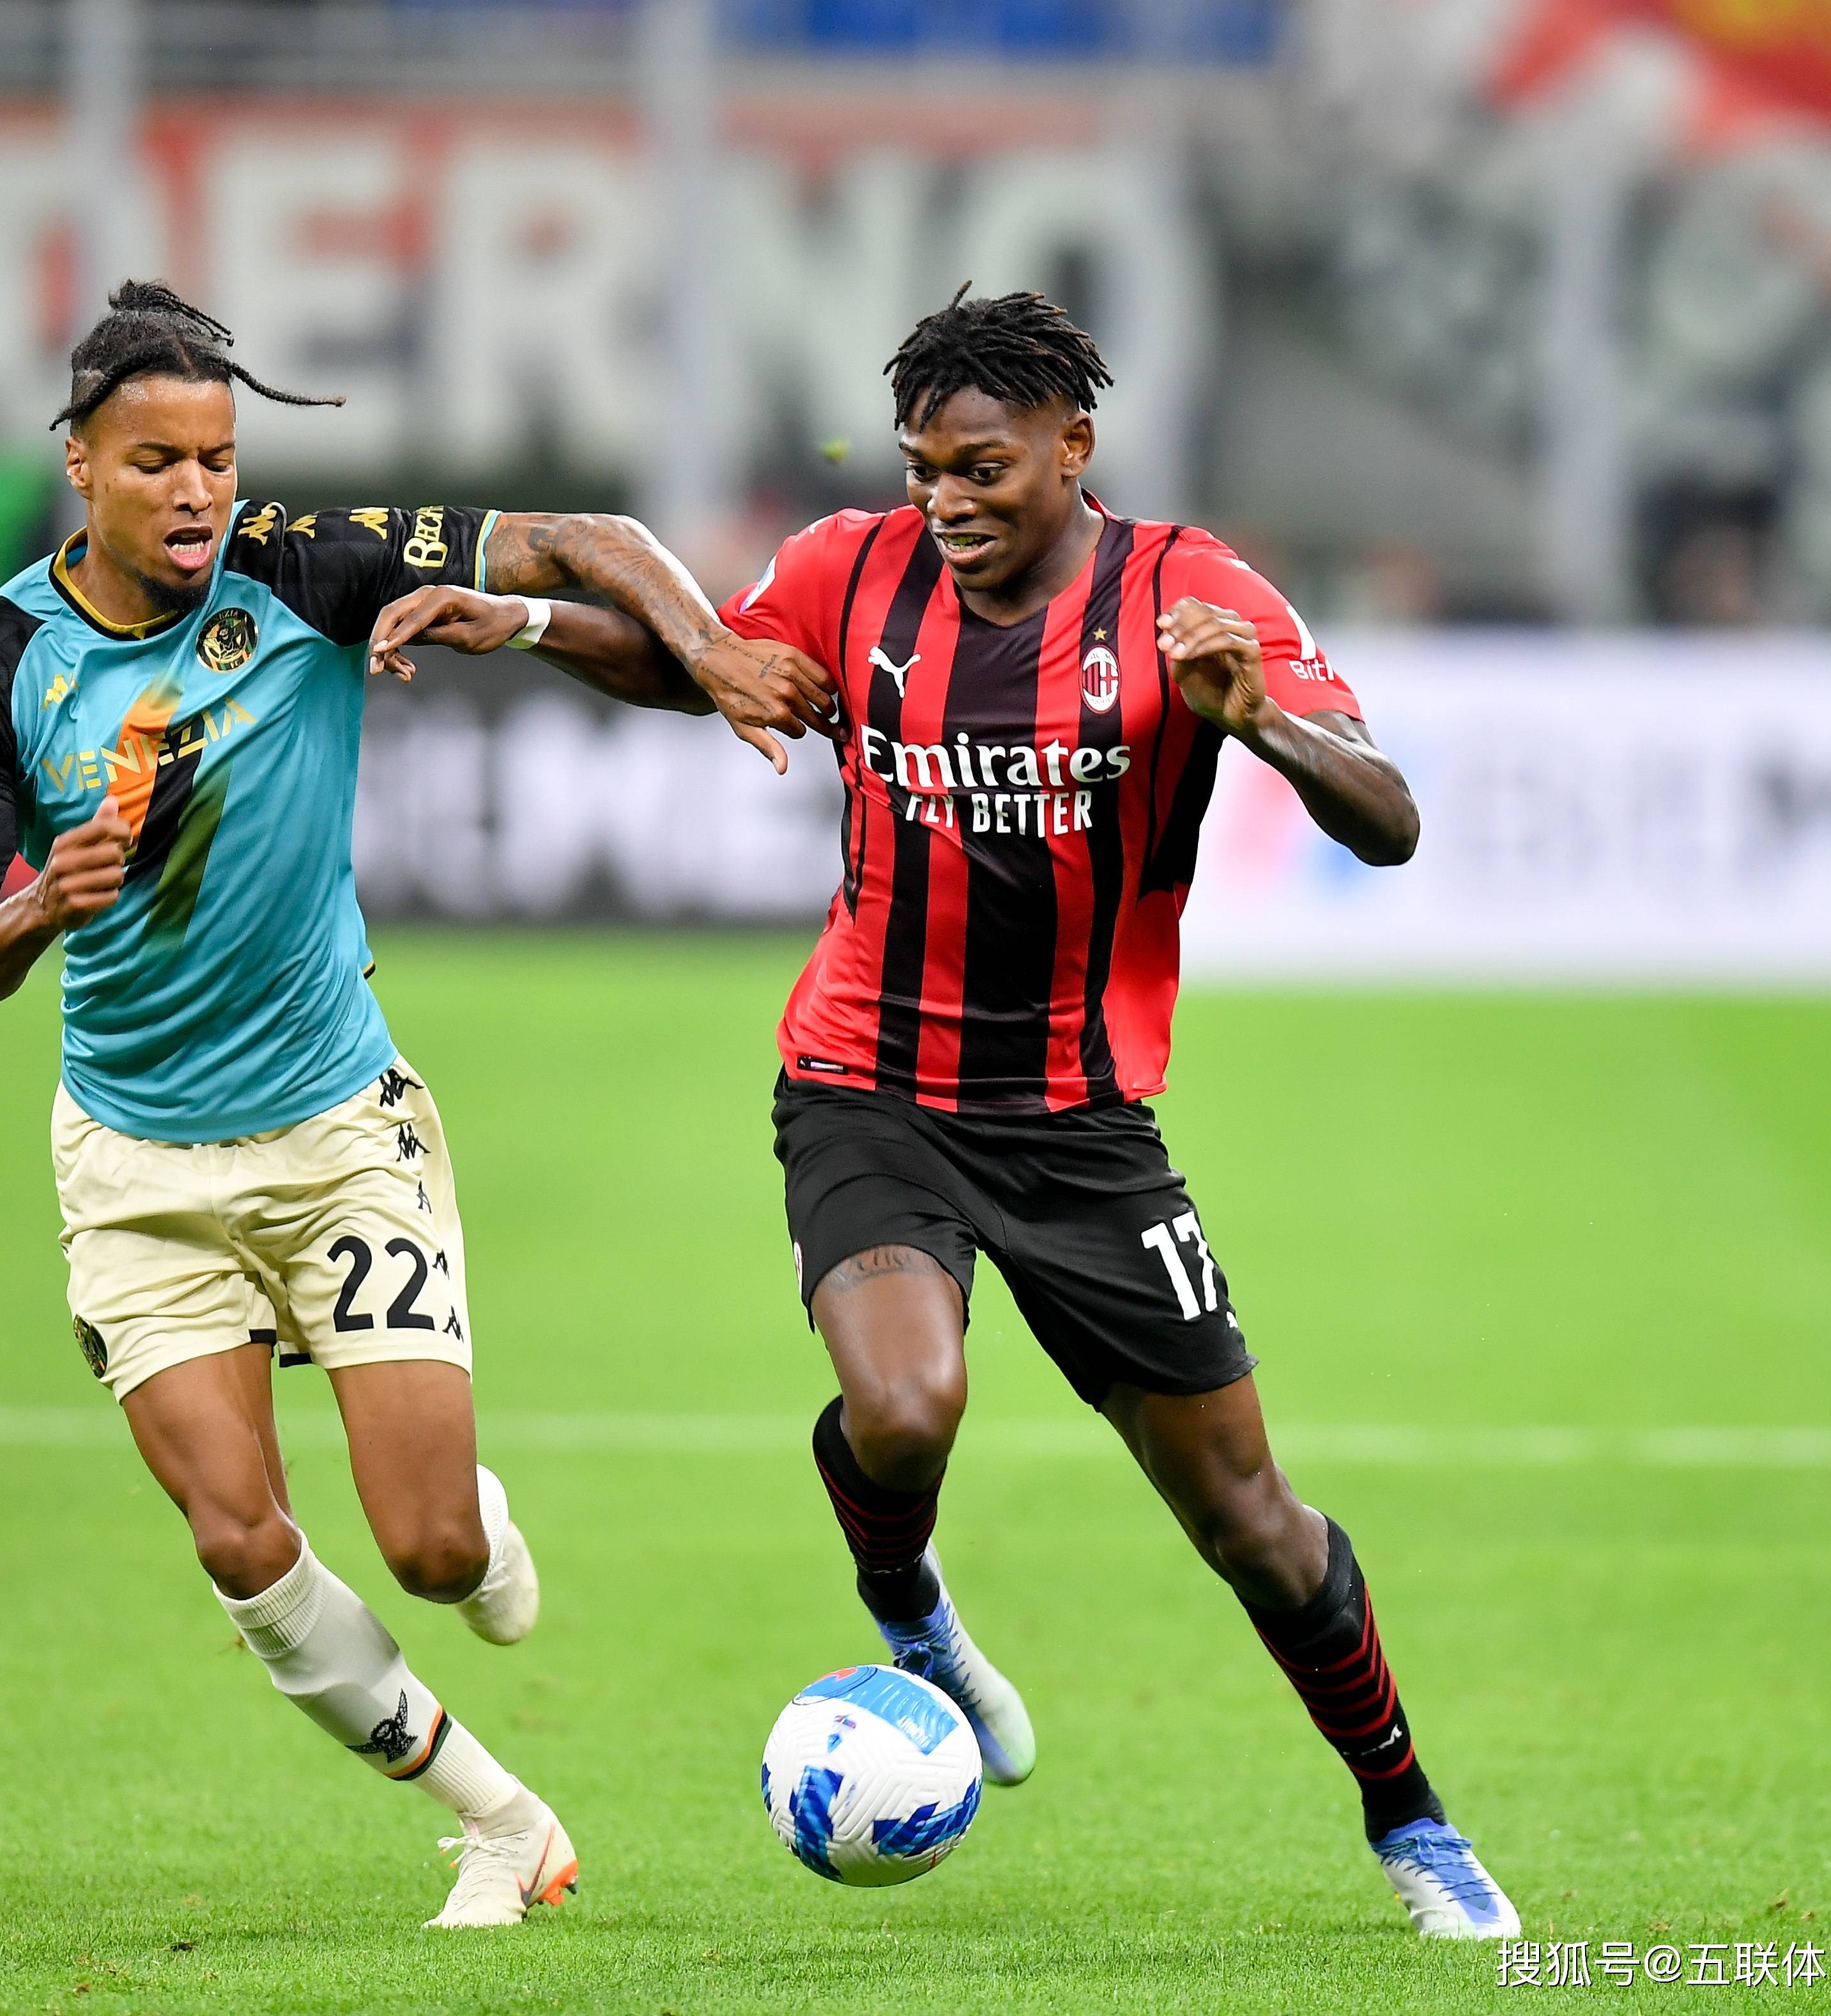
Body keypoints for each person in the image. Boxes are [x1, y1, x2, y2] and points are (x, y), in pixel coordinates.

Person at [371, 287, 1521, 1940]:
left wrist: (1258, 721)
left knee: (1253, 1523)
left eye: (984, 469)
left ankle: (1412, 1820)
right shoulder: (853, 571)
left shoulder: (1187, 594)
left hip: (1081, 1123)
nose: (948, 501)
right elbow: (712, 669)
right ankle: (906, 1600)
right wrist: (534, 624)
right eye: (923, 469)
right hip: (868, 1087)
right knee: (907, 1408)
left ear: (1075, 447)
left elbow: (1390, 817)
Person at [0, 281, 831, 1929]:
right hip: (131, 1161)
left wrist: (709, 650)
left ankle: (470, 1515)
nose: (199, 491)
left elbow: (590, 541)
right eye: (158, 462)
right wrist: (40, 907)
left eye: (218, 458)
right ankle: (500, 1823)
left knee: (431, 1555)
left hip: (338, 1132)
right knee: (237, 1537)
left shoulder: (304, 563)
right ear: (80, 466)